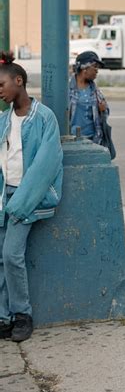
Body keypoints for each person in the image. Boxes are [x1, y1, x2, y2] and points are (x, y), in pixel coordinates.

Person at [0, 52, 63, 342]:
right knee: (1, 258)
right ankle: (4, 317)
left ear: (19, 80)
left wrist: (19, 204)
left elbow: (45, 166)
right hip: (4, 195)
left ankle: (23, 315)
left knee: (12, 255)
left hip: (26, 198)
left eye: (2, 84)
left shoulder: (44, 117)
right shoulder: (4, 119)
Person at [69, 51, 110, 145]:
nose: (97, 70)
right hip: (71, 140)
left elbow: (106, 112)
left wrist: (103, 110)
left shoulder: (94, 90)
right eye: (95, 66)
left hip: (93, 140)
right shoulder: (67, 89)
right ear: (84, 68)